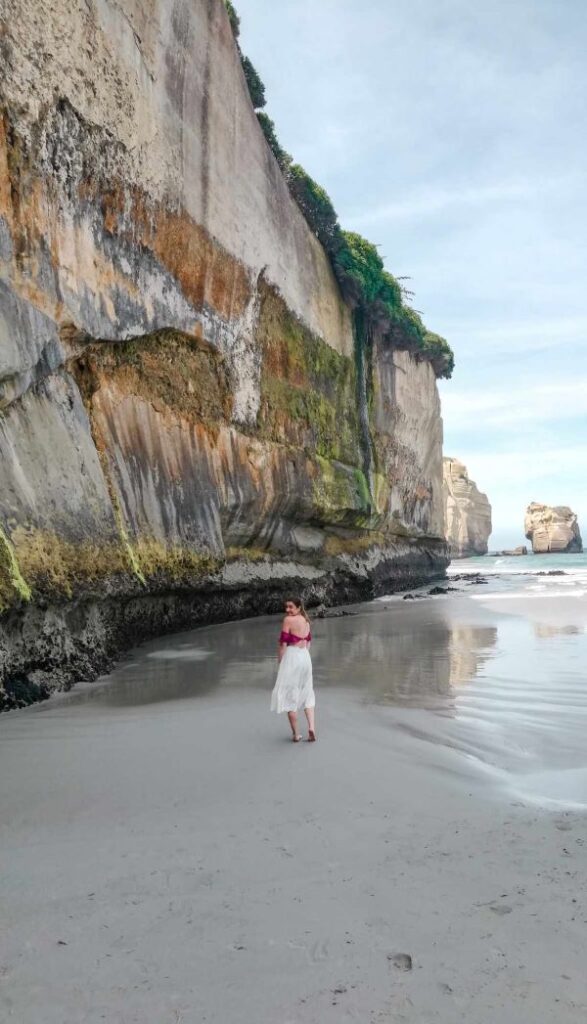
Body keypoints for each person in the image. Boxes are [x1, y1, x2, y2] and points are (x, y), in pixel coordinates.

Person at [270, 597, 316, 742]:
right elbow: (308, 642)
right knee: (307, 693)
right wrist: (304, 656)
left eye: (290, 607)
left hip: (292, 657)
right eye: (286, 607)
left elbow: (283, 643)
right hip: (305, 657)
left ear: (298, 607)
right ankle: (311, 728)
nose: (287, 610)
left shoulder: (288, 621)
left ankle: (296, 735)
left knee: (290, 696)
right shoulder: (305, 620)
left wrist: (280, 661)